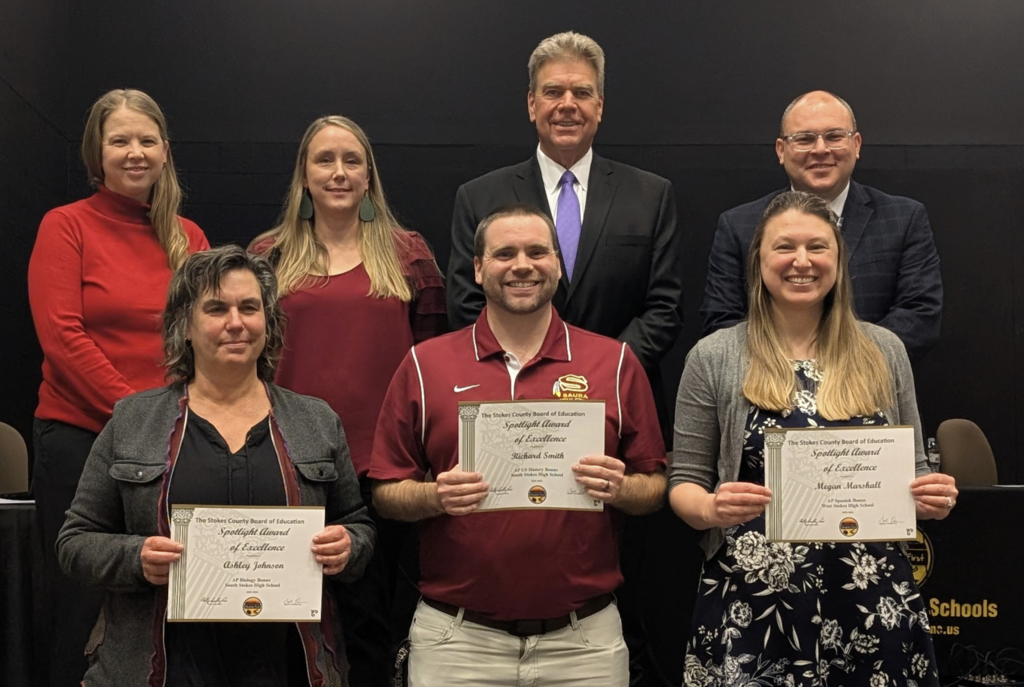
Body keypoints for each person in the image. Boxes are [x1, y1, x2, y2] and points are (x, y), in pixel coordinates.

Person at [444, 32, 682, 684]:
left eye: (581, 91)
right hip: (504, 418)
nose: (567, 103)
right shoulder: (480, 194)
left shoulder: (650, 193)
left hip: (618, 424)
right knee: (517, 562)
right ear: (531, 103)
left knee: (616, 594)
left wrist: (594, 374)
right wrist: (534, 378)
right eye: (554, 91)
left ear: (600, 105)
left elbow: (664, 307)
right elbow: (466, 303)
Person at [370, 204, 667, 687]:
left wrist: (621, 487)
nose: (522, 265)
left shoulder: (613, 362)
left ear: (557, 263)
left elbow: (654, 484)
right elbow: (385, 491)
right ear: (479, 268)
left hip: (584, 643)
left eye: (536, 252)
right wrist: (433, 496)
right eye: (505, 253)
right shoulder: (426, 365)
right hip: (457, 641)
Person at [671, 192, 956, 685]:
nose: (801, 261)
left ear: (839, 261)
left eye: (818, 247)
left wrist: (931, 497)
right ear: (758, 260)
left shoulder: (884, 351)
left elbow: (914, 471)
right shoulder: (713, 356)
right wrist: (711, 509)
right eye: (785, 247)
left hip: (872, 600)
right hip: (755, 604)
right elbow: (684, 482)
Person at [56, 245, 375, 687]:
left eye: (249, 308)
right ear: (185, 326)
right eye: (216, 309)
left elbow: (357, 524)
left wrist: (348, 546)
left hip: (287, 667)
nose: (236, 323)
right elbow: (75, 541)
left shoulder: (316, 420)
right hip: (159, 669)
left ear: (268, 322)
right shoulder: (133, 420)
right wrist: (135, 558)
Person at [250, 115, 446, 686]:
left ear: (368, 176)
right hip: (285, 462)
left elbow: (432, 367)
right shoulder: (269, 255)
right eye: (324, 160)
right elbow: (244, 358)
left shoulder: (409, 255)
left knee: (370, 628)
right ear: (304, 177)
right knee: (284, 627)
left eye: (351, 160)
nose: (338, 172)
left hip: (381, 471)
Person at [27, 87, 209, 686]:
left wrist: (172, 421)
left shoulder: (189, 237)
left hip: (172, 444)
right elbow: (62, 336)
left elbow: (205, 338)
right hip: (81, 441)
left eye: (147, 140)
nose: (135, 152)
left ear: (164, 152)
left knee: (171, 598)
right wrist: (138, 415)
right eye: (120, 141)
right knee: (79, 606)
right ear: (96, 154)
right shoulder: (66, 226)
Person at [700, 90, 942, 362]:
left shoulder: (904, 218)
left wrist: (840, 367)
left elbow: (919, 315)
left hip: (871, 390)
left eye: (835, 136)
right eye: (804, 139)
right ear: (781, 150)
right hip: (767, 391)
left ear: (857, 144)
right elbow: (723, 320)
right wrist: (793, 371)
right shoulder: (738, 225)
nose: (820, 149)